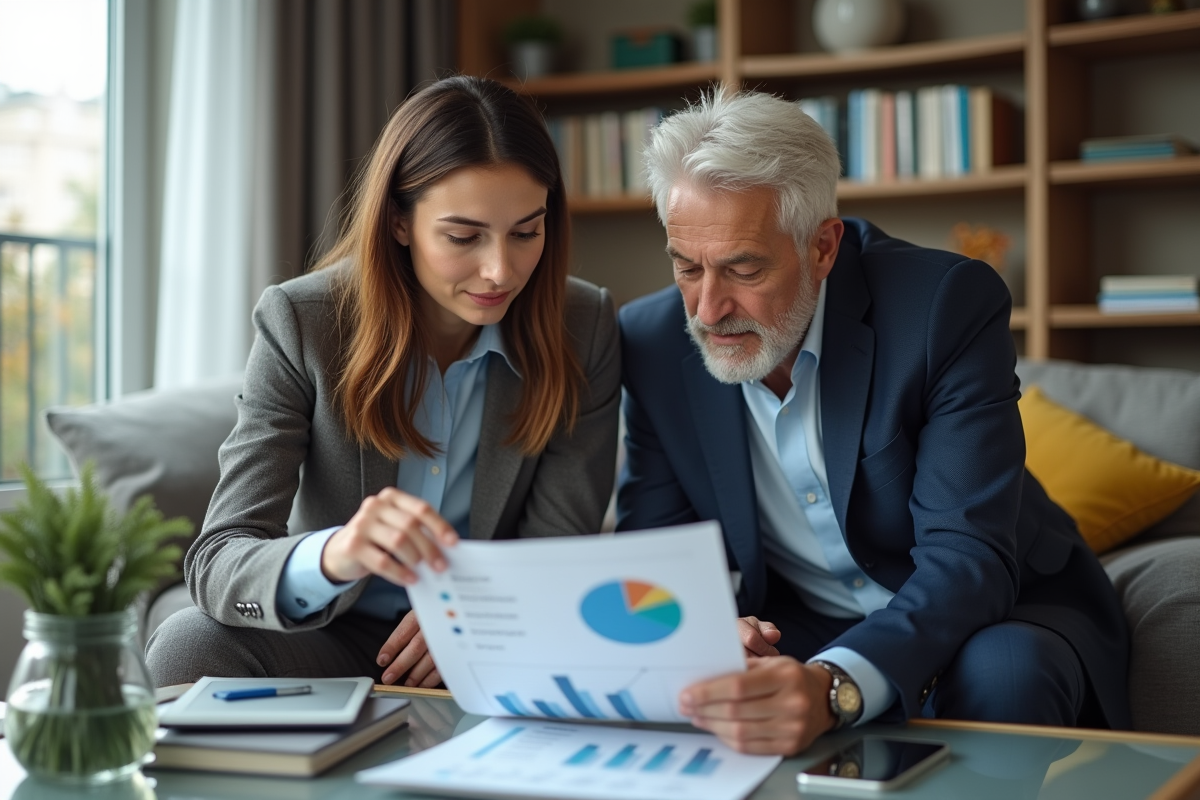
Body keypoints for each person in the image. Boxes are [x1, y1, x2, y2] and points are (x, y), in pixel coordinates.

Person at [617, 88, 1131, 756]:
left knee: (1006, 674)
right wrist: (712, 628)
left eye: (743, 269)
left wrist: (836, 684)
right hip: (804, 621)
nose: (708, 309)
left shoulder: (943, 305)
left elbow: (967, 556)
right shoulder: (652, 341)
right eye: (687, 267)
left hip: (996, 607)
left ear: (823, 247)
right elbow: (655, 556)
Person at [147, 76, 619, 688]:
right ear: (399, 221)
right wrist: (336, 554)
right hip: (335, 634)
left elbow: (560, 547)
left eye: (526, 232)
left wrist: (477, 614)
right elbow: (220, 558)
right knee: (187, 646)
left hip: (503, 632)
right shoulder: (303, 322)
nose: (501, 270)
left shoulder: (583, 325)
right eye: (463, 236)